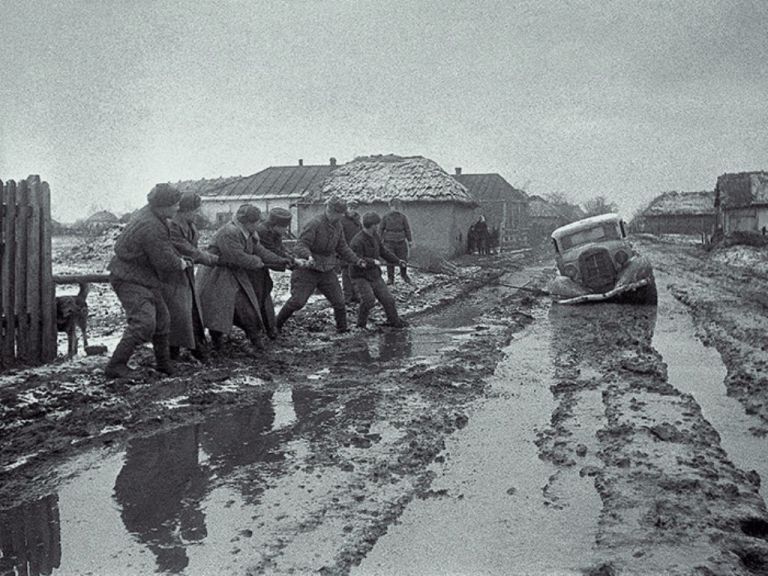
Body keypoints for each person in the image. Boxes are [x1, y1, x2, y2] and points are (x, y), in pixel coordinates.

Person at [105, 183, 191, 379]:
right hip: (130, 278)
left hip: (143, 276)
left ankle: (163, 364)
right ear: (163, 205)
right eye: (175, 205)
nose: (178, 208)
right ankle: (116, 365)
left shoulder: (152, 216)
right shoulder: (151, 225)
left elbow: (161, 249)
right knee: (143, 322)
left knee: (162, 319)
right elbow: (164, 259)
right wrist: (181, 264)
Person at [196, 204, 291, 354]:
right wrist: (258, 262)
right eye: (254, 223)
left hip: (235, 275)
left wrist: (279, 260)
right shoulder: (229, 232)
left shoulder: (250, 232)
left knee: (247, 310)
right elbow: (238, 257)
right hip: (217, 276)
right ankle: (218, 342)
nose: (257, 225)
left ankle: (255, 340)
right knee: (219, 310)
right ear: (244, 222)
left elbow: (260, 250)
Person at [275, 197, 368, 334]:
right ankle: (276, 325)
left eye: (342, 214)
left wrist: (356, 260)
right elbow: (301, 244)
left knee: (339, 302)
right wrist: (308, 255)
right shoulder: (315, 223)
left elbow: (342, 247)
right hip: (307, 270)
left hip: (326, 269)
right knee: (298, 302)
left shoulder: (338, 226)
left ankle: (342, 330)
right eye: (338, 213)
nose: (340, 216)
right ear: (329, 210)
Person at [164, 192, 219, 361]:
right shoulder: (173, 225)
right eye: (194, 211)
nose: (197, 214)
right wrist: (208, 258)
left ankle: (195, 347)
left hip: (186, 274)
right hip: (172, 276)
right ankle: (173, 353)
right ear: (184, 210)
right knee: (178, 313)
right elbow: (185, 248)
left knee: (190, 311)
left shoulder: (188, 224)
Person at [349, 211, 408, 329]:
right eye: (376, 224)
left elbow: (383, 251)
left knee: (388, 300)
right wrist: (372, 261)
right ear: (372, 225)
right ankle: (361, 326)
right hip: (360, 276)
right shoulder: (357, 241)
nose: (378, 227)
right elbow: (356, 259)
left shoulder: (375, 236)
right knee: (369, 300)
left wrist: (397, 261)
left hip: (374, 274)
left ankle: (394, 321)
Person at [254, 207, 299, 338]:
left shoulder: (274, 232)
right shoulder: (262, 232)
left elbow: (280, 249)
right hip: (252, 268)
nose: (285, 230)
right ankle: (262, 329)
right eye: (284, 227)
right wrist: (292, 261)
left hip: (261, 268)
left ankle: (269, 328)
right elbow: (272, 251)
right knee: (259, 297)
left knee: (264, 293)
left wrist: (291, 258)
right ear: (275, 225)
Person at [380, 198, 412, 285]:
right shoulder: (386, 217)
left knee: (403, 259)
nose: (395, 208)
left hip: (401, 241)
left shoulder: (403, 217)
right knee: (390, 260)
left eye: (397, 207)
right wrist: (379, 241)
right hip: (389, 242)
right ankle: (390, 278)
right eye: (394, 206)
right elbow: (381, 229)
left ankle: (404, 275)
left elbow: (407, 229)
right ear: (390, 207)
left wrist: (409, 240)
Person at [339, 201, 362, 303]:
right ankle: (347, 296)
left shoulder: (357, 221)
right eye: (350, 208)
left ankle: (355, 295)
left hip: (356, 250)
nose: (352, 210)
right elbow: (339, 236)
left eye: (354, 208)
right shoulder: (341, 221)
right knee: (346, 272)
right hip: (345, 249)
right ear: (346, 208)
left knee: (355, 272)